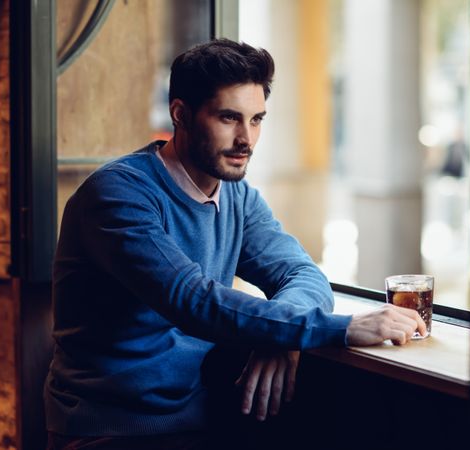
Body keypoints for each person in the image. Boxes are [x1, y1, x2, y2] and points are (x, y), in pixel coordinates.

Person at [44, 38, 425, 450]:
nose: (247, 139)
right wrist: (340, 329)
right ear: (181, 115)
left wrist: (285, 338)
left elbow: (302, 273)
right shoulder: (118, 196)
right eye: (229, 118)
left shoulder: (238, 198)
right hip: (109, 429)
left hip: (202, 419)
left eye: (257, 119)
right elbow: (194, 301)